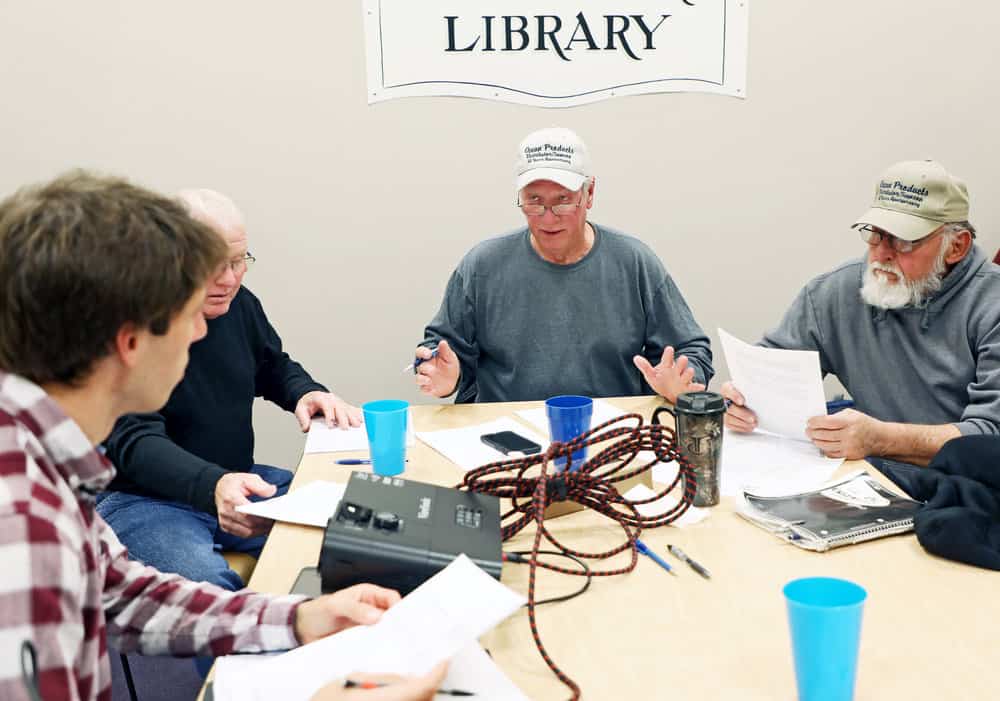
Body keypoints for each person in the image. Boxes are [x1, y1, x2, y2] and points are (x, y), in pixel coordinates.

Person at [0, 172, 444, 700]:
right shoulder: (25, 522)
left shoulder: (46, 462)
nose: (203, 330)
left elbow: (125, 596)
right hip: (157, 502)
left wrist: (300, 619)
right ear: (130, 341)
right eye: (185, 311)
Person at [98, 189, 361, 591]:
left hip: (236, 479)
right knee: (210, 594)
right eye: (212, 265)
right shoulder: (129, 328)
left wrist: (305, 393)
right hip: (147, 501)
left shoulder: (237, 304)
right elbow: (135, 442)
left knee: (360, 526)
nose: (229, 279)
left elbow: (271, 365)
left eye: (238, 262)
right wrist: (212, 486)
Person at [723, 160, 1000, 465]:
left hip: (966, 490)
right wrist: (742, 401)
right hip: (867, 478)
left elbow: (989, 437)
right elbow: (770, 373)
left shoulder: (991, 307)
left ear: (956, 247)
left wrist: (879, 439)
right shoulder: (838, 291)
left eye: (904, 240)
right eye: (875, 234)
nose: (881, 253)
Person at [415, 127, 712, 403]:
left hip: (610, 432)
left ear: (590, 194)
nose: (548, 217)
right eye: (534, 200)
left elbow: (692, 350)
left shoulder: (634, 262)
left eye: (563, 200)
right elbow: (441, 347)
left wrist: (683, 381)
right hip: (506, 434)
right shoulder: (482, 265)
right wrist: (445, 375)